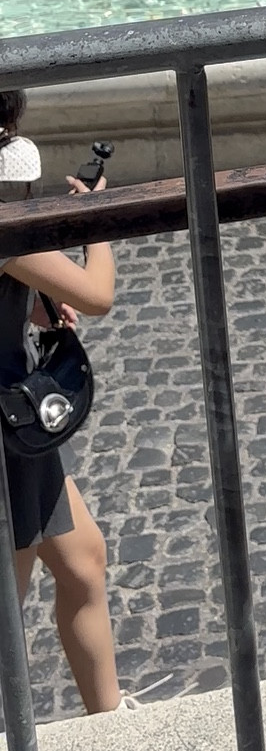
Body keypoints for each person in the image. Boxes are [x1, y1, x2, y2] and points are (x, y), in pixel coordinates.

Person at [0, 91, 130, 714]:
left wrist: (27, 298)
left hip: (16, 420)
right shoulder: (5, 222)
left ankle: (108, 724)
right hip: (6, 425)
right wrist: (95, 219)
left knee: (82, 562)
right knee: (8, 601)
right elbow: (98, 295)